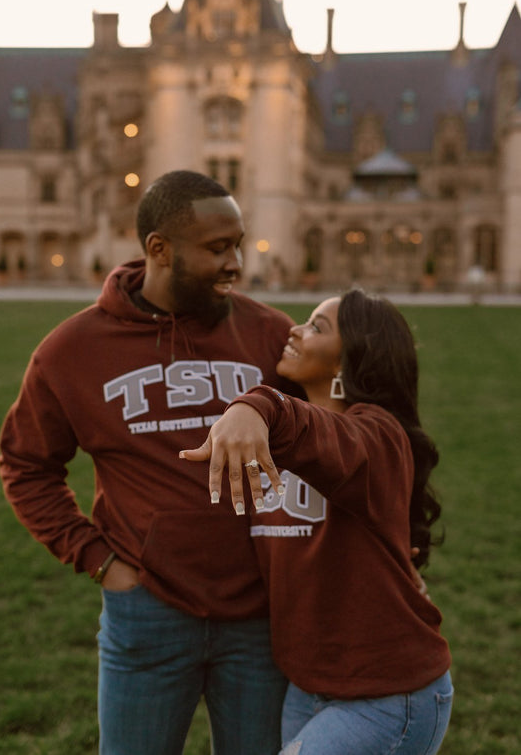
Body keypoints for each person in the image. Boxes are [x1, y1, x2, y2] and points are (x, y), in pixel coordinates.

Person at [0, 170, 299, 755]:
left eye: (237, 244)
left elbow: (337, 444)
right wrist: (100, 561)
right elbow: (26, 465)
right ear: (159, 249)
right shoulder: (73, 350)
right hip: (148, 611)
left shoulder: (269, 334)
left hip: (260, 615)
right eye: (217, 248)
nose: (236, 263)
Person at [181, 289, 454, 755]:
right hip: (307, 686)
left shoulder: (379, 434)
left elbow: (331, 439)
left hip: (387, 693)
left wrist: (258, 405)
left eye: (316, 327)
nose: (294, 331)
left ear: (348, 361)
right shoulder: (279, 441)